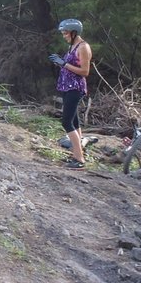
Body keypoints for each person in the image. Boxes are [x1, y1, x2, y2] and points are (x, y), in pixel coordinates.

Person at [49, 18, 93, 169]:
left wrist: (64, 64)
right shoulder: (72, 46)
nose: (64, 36)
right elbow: (69, 66)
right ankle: (78, 150)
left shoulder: (83, 47)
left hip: (75, 88)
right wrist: (60, 62)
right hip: (67, 87)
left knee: (66, 122)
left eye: (66, 33)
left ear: (74, 32)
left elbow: (85, 71)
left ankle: (79, 159)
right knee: (74, 121)